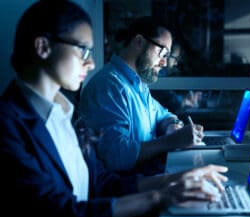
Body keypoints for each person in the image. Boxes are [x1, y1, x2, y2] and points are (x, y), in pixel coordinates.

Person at [0, 1, 229, 217]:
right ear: (43, 47)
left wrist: (176, 179)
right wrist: (161, 195)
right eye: (83, 50)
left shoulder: (67, 114)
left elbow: (102, 183)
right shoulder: (7, 125)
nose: (90, 64)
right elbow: (61, 211)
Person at [79, 16, 205, 175]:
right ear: (139, 42)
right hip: (129, 192)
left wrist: (172, 125)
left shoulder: (137, 84)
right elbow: (116, 155)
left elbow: (162, 114)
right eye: (162, 53)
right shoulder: (109, 87)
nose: (164, 63)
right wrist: (171, 141)